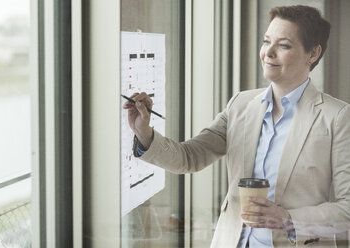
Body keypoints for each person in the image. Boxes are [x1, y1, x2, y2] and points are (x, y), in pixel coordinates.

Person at [123, 5, 350, 247]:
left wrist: (289, 220)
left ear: (313, 54)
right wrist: (144, 132)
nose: (268, 53)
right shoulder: (240, 105)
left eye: (283, 45)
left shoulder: (337, 117)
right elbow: (189, 157)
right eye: (266, 42)